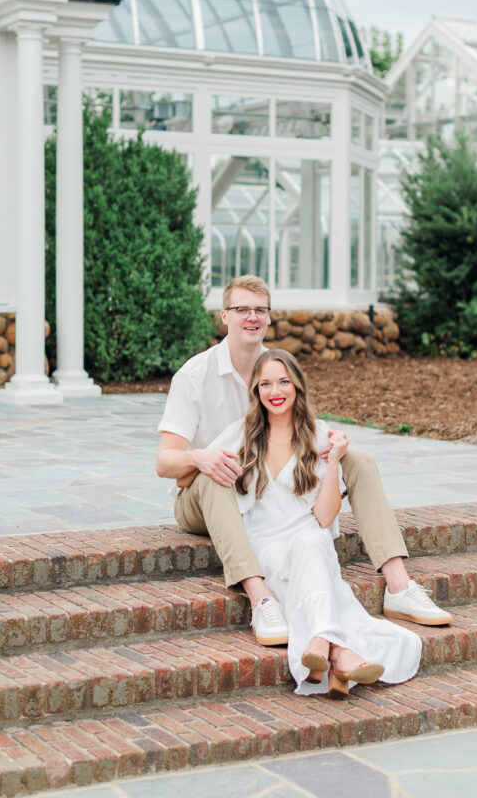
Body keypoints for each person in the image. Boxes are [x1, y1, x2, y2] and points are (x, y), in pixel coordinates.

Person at [156, 274, 452, 648]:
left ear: (268, 316)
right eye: (241, 309)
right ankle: (261, 598)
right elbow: (164, 463)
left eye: (259, 310)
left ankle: (398, 585)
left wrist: (332, 449)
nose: (251, 317)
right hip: (201, 497)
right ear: (224, 316)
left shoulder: (274, 368)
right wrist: (201, 458)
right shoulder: (194, 375)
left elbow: (296, 427)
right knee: (215, 476)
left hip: (264, 497)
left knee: (358, 459)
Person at [209, 349, 422, 697]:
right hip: (266, 544)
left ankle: (322, 646)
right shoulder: (241, 435)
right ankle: (339, 653)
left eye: (283, 381)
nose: (275, 391)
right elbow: (200, 470)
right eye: (265, 384)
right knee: (315, 571)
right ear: (256, 391)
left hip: (308, 537)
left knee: (312, 541)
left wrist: (335, 461)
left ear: (296, 386)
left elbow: (323, 518)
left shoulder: (319, 436)